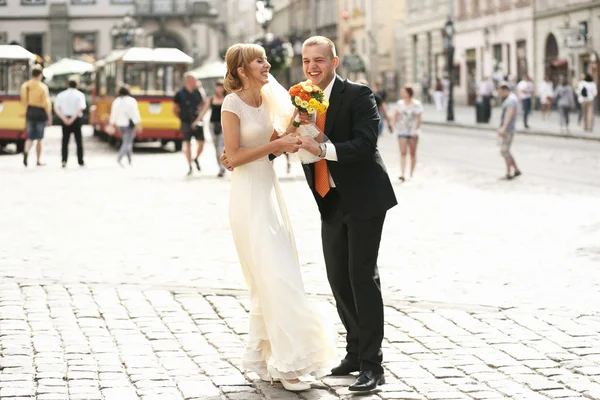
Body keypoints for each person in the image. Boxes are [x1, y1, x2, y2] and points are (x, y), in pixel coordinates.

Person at [218, 43, 337, 392]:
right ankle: (288, 364)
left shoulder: (269, 98)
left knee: (279, 273)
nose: (267, 65)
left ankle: (269, 359)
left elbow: (277, 140)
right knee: (273, 275)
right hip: (247, 198)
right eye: (259, 61)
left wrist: (298, 126)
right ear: (242, 69)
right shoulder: (232, 103)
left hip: (269, 194)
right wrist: (275, 146)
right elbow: (235, 157)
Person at [293, 36, 397, 392]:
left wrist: (321, 147)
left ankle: (372, 365)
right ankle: (354, 352)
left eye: (319, 60)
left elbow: (366, 144)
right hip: (330, 200)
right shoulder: (303, 99)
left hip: (365, 198)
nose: (312, 67)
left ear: (334, 62)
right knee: (338, 278)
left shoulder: (358, 94)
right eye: (307, 60)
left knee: (361, 277)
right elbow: (294, 140)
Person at [20, 64, 51, 167]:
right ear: (40, 74)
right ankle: (38, 160)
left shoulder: (26, 86)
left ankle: (26, 151)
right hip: (40, 112)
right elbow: (46, 103)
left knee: (29, 137)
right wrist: (49, 117)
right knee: (39, 138)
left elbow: (23, 101)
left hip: (30, 111)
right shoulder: (42, 87)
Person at [174, 73, 205, 175]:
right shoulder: (180, 93)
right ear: (189, 81)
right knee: (187, 144)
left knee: (201, 143)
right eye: (195, 80)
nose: (196, 82)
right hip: (186, 122)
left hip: (197, 121)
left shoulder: (197, 92)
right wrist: (181, 118)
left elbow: (202, 104)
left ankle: (196, 158)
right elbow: (174, 109)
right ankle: (190, 166)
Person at [54, 77, 87, 167]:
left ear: (67, 85)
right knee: (78, 141)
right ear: (77, 85)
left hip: (65, 118)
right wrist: (72, 119)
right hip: (76, 119)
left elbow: (56, 108)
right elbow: (80, 108)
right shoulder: (80, 95)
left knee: (65, 141)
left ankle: (64, 160)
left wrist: (63, 118)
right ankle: (80, 160)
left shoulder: (61, 95)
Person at [393, 84, 423, 182]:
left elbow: (419, 119)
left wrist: (416, 130)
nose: (402, 93)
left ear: (409, 93)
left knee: (412, 153)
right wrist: (392, 125)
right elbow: (395, 115)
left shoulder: (416, 104)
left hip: (412, 131)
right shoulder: (399, 103)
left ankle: (411, 173)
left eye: (404, 92)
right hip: (402, 130)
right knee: (403, 152)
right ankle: (402, 173)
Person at [198, 80, 227, 177]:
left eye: (221, 87)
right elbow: (204, 111)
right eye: (218, 87)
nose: (219, 89)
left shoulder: (227, 98)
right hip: (212, 125)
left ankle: (223, 168)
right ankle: (220, 167)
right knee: (216, 147)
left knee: (220, 147)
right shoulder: (211, 99)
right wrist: (197, 121)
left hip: (224, 125)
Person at [109, 86, 142, 166]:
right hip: (129, 125)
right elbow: (135, 113)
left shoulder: (116, 101)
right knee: (127, 142)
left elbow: (113, 113)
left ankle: (130, 160)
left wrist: (112, 123)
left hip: (120, 124)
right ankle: (119, 158)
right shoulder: (131, 101)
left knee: (126, 141)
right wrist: (138, 123)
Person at [497, 82, 522, 180]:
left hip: (508, 129)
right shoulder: (512, 98)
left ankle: (508, 173)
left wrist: (504, 127)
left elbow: (510, 114)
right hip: (509, 128)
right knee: (506, 151)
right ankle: (516, 170)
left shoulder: (510, 100)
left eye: (500, 92)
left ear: (505, 90)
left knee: (505, 151)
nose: (499, 94)